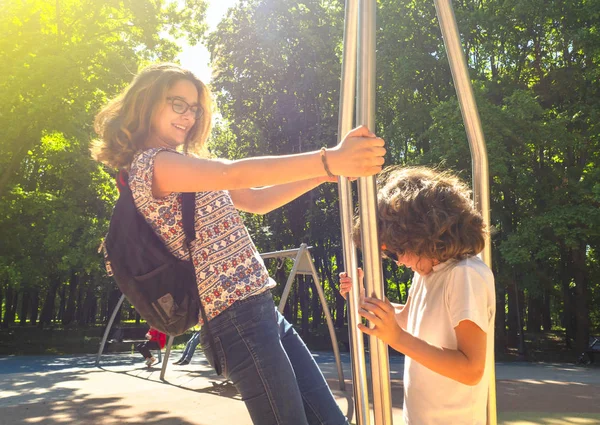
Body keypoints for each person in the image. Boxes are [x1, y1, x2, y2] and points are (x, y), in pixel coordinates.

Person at [91, 62, 386, 425]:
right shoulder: (153, 165)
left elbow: (258, 200)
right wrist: (329, 158)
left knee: (329, 420)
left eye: (194, 107)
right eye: (177, 103)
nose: (188, 115)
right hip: (235, 317)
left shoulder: (184, 165)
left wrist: (329, 171)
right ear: (147, 103)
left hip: (261, 308)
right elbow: (235, 172)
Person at [340, 166, 495, 425]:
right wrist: (365, 300)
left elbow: (471, 369)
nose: (398, 262)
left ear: (420, 236)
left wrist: (396, 339)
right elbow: (409, 319)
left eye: (395, 252)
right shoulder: (427, 273)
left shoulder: (465, 275)